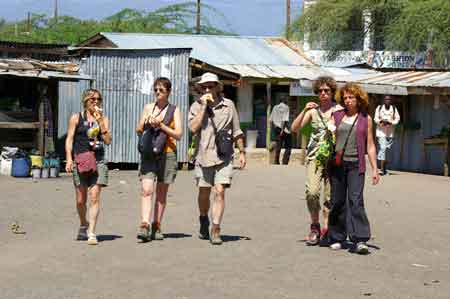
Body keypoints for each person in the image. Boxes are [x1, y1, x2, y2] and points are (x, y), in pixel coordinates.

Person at [188, 72, 246, 245]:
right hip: (203, 156)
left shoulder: (229, 106)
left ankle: (215, 227)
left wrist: (242, 152)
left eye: (211, 86)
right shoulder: (196, 106)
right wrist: (204, 107)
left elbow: (237, 130)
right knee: (204, 193)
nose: (207, 89)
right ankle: (203, 218)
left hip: (224, 156)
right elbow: (192, 128)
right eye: (204, 87)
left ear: (218, 87)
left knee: (219, 191)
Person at [327, 83, 380, 254]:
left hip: (356, 165)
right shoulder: (336, 116)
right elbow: (327, 138)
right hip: (337, 165)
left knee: (356, 201)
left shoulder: (366, 119)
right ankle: (336, 237)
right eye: (345, 98)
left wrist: (375, 169)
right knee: (337, 201)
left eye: (351, 97)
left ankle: (360, 240)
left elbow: (370, 145)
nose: (348, 101)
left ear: (358, 99)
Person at [291, 76, 340, 246]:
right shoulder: (312, 111)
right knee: (312, 192)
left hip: (334, 159)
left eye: (327, 90)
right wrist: (304, 110)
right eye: (320, 91)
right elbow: (294, 128)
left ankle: (326, 229)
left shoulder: (339, 110)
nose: (323, 93)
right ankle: (315, 225)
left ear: (333, 92)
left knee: (330, 196)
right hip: (314, 157)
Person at [136, 77, 182, 242]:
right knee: (147, 189)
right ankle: (145, 224)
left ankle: (157, 224)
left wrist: (161, 126)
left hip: (167, 153)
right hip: (149, 153)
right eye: (155, 89)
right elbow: (138, 129)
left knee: (161, 193)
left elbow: (179, 134)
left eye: (161, 90)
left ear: (168, 92)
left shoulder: (174, 110)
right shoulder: (148, 107)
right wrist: (146, 121)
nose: (157, 93)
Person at [65, 89, 112, 245]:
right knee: (80, 200)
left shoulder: (103, 119)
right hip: (81, 160)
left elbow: (107, 140)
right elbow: (70, 139)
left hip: (98, 160)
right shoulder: (76, 118)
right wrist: (69, 159)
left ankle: (91, 232)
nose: (96, 102)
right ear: (85, 101)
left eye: (98, 99)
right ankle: (83, 223)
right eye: (92, 99)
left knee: (94, 197)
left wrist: (100, 123)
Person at [374, 95, 400, 175]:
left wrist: (391, 123)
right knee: (383, 148)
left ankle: (384, 166)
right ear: (383, 100)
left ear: (391, 101)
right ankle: (381, 168)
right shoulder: (379, 108)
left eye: (389, 99)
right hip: (381, 132)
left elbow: (397, 119)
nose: (387, 101)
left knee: (387, 150)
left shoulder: (394, 109)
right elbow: (375, 118)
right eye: (386, 99)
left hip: (390, 132)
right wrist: (381, 122)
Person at [269, 97, 292, 165]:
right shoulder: (286, 107)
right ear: (285, 101)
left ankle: (276, 161)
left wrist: (275, 128)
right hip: (284, 129)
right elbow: (284, 119)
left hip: (276, 128)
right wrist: (282, 130)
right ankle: (285, 162)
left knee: (278, 145)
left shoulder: (275, 107)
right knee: (288, 146)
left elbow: (271, 120)